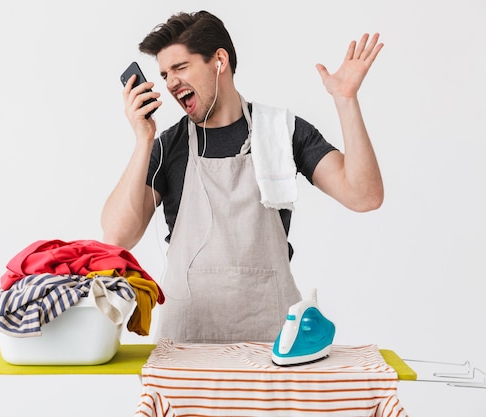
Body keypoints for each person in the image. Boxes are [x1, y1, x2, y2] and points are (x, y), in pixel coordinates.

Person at [101, 10, 384, 344]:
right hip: (188, 339)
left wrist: (346, 101)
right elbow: (117, 236)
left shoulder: (283, 132)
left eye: (180, 67)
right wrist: (143, 139)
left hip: (272, 337)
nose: (170, 83)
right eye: (164, 74)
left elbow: (364, 196)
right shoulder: (166, 146)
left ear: (219, 60)